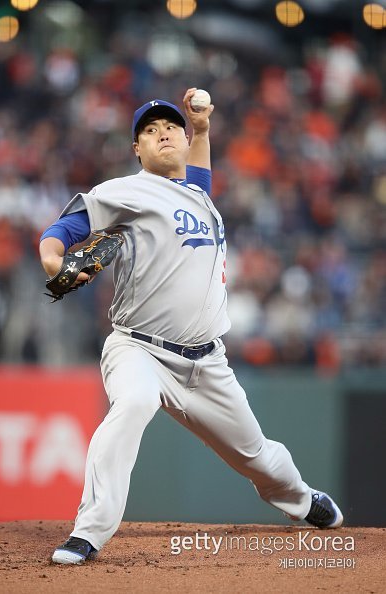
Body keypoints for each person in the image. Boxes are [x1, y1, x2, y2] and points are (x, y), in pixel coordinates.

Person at [39, 88, 343, 565]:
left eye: (170, 128)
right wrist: (52, 259)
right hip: (138, 349)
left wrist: (201, 129)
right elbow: (62, 231)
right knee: (133, 404)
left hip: (207, 362)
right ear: (137, 149)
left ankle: (302, 500)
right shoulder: (125, 191)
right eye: (150, 131)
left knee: (257, 456)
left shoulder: (198, 193)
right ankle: (88, 533)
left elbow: (198, 173)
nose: (163, 134)